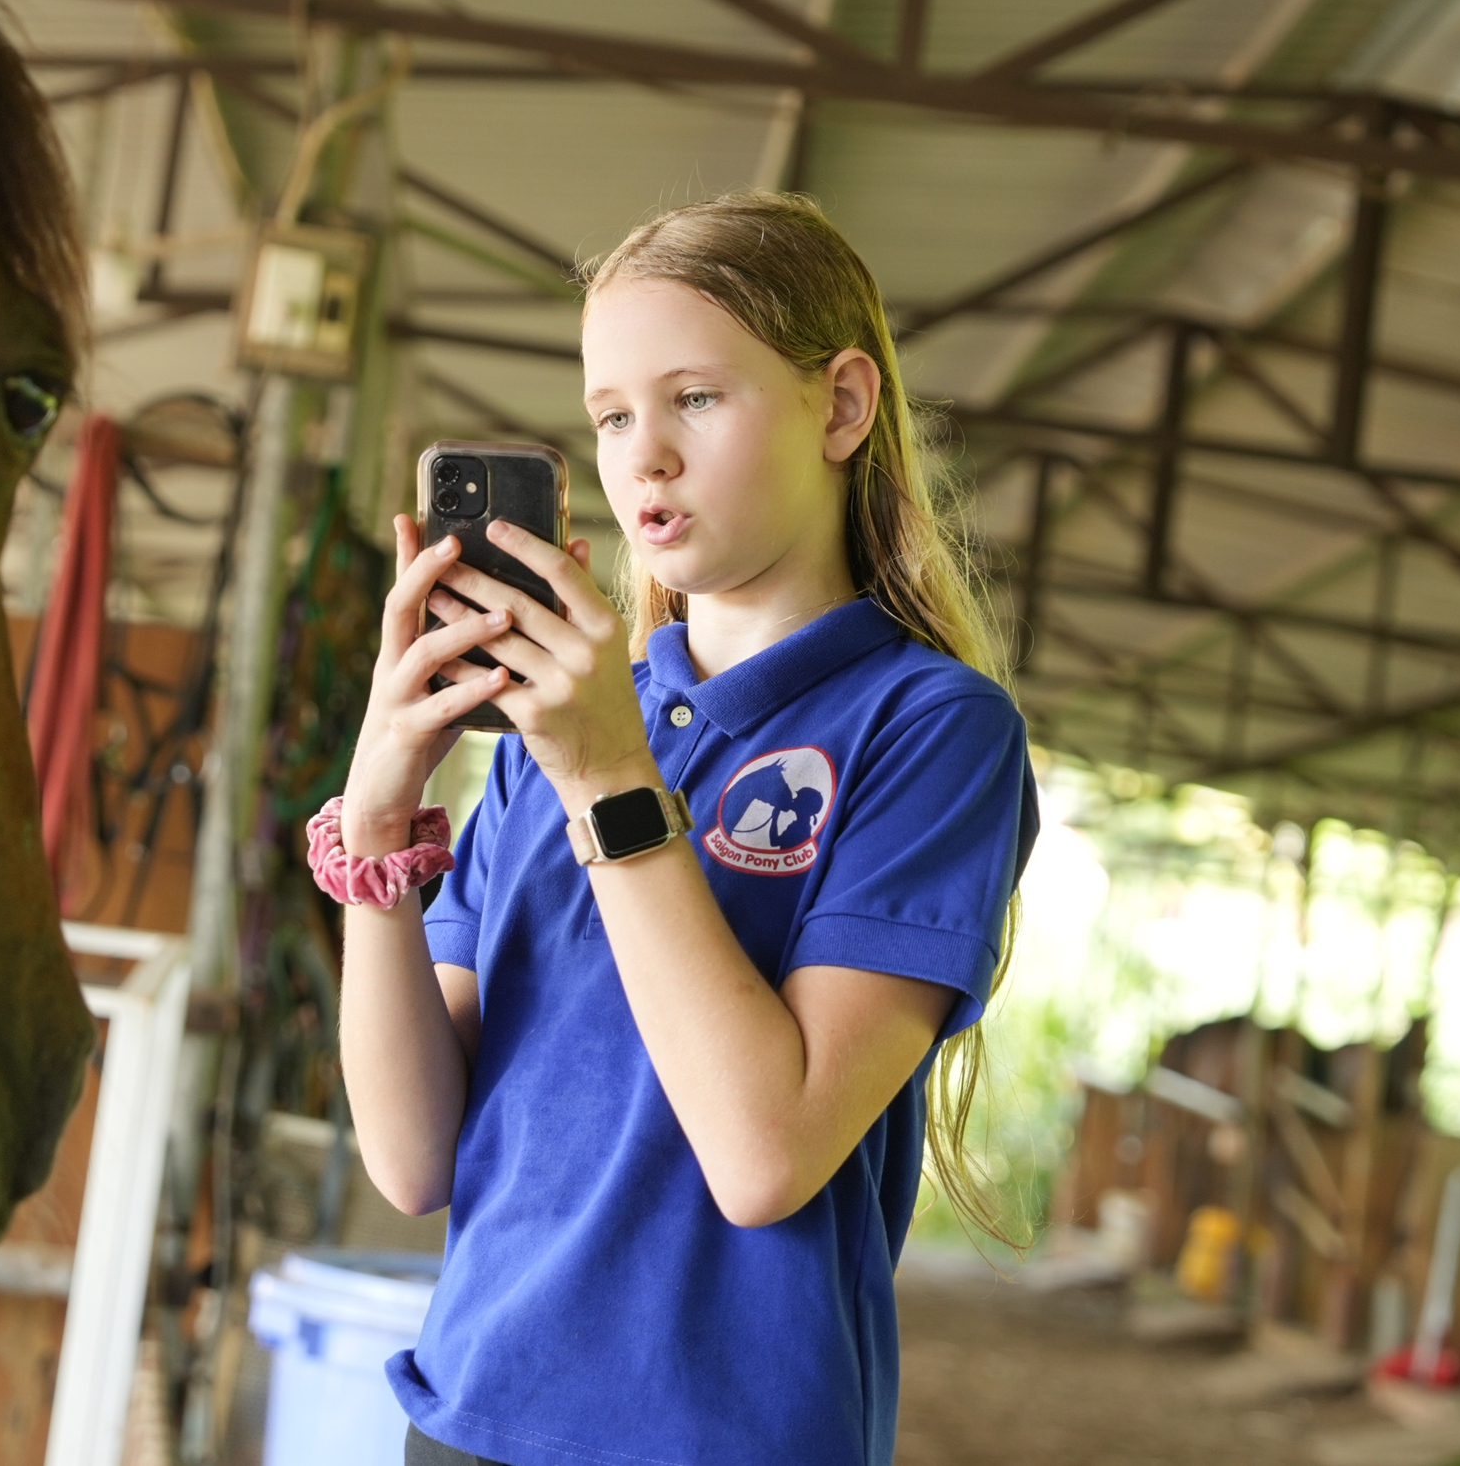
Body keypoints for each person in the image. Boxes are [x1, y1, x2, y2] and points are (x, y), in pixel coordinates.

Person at [312, 192, 1039, 1466]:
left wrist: (606, 774)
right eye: (609, 415)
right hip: (469, 1414)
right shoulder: (563, 724)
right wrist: (379, 833)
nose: (642, 453)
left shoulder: (929, 728)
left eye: (695, 398)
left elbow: (764, 1156)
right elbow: (412, 1155)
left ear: (844, 405)